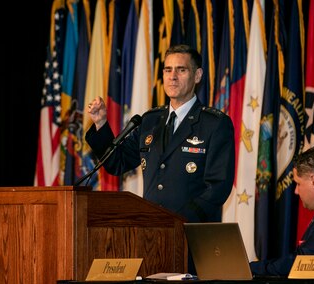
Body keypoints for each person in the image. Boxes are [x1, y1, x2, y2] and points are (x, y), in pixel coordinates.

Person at [85, 44, 235, 223]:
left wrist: (179, 220)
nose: (172, 77)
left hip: (192, 234)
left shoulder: (215, 124)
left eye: (181, 70)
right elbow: (117, 162)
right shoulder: (150, 120)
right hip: (152, 233)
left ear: (197, 75)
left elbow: (217, 187)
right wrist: (100, 123)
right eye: (167, 70)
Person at [250, 144, 314, 276]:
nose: (296, 191)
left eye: (298, 184)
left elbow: (303, 263)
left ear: (313, 181)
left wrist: (252, 269)